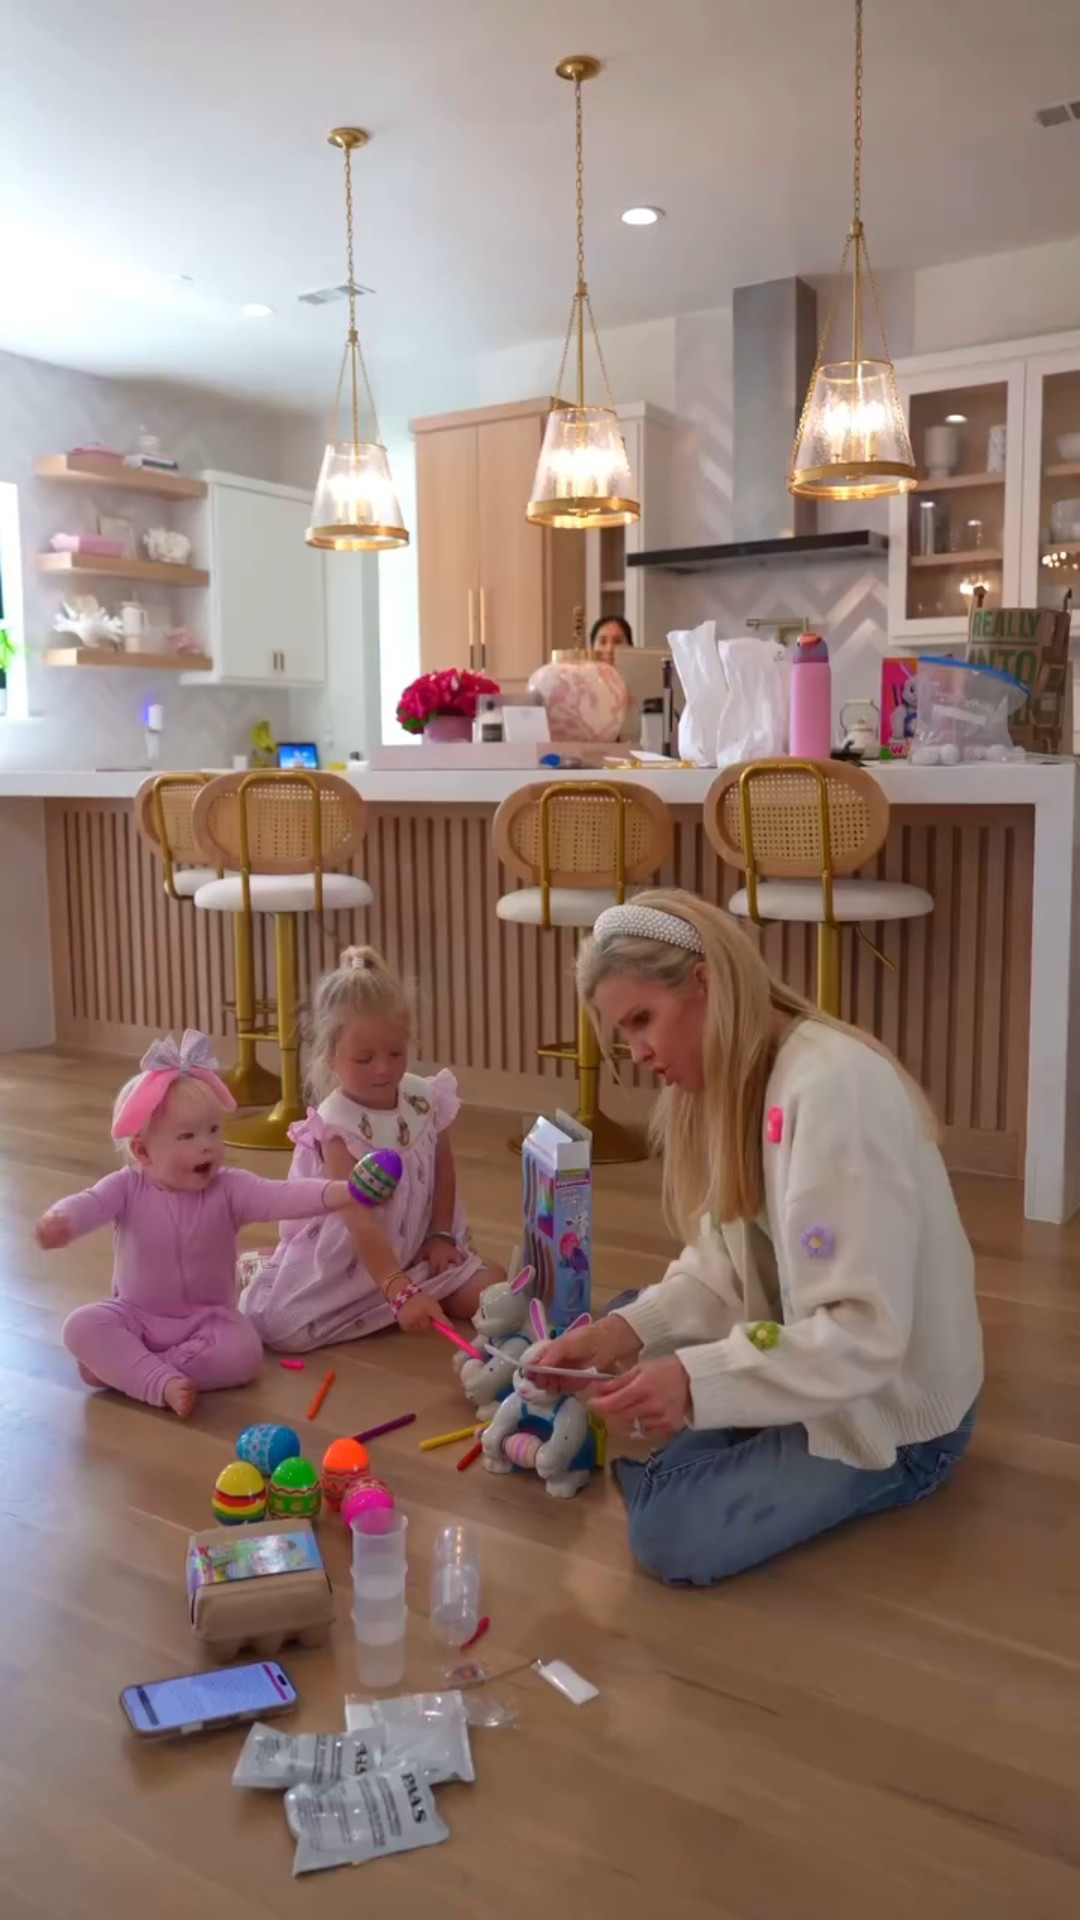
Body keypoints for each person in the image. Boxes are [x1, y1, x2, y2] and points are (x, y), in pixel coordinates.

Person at [535, 891, 983, 1586]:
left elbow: (864, 1334)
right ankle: (703, 1423)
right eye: (625, 1034)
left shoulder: (831, 1090)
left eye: (643, 1020)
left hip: (890, 1412)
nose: (639, 1053)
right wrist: (623, 1332)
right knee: (630, 1321)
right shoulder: (739, 1081)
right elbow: (724, 1264)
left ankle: (695, 1448)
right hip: (811, 1355)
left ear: (705, 980)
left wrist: (691, 1381)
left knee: (669, 1536)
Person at [35, 1031, 360, 1417]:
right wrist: (63, 1220)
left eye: (213, 1130)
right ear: (142, 1151)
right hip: (135, 1314)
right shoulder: (126, 1187)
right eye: (187, 1136)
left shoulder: (229, 1189)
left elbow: (283, 1195)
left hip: (208, 1322)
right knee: (80, 1326)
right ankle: (156, 1379)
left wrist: (345, 1191)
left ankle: (135, 1371)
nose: (207, 1145)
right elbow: (89, 1204)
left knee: (245, 1354)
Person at [242, 946, 503, 1350]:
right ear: (331, 1057)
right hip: (350, 1261)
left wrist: (439, 1236)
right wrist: (397, 1289)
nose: (383, 1068)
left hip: (418, 1247)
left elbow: (443, 1171)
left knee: (496, 1293)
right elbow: (358, 1219)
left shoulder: (425, 1098)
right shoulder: (336, 1126)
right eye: (364, 1058)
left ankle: (425, 1285)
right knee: (278, 1330)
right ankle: (264, 1265)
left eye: (395, 1053)